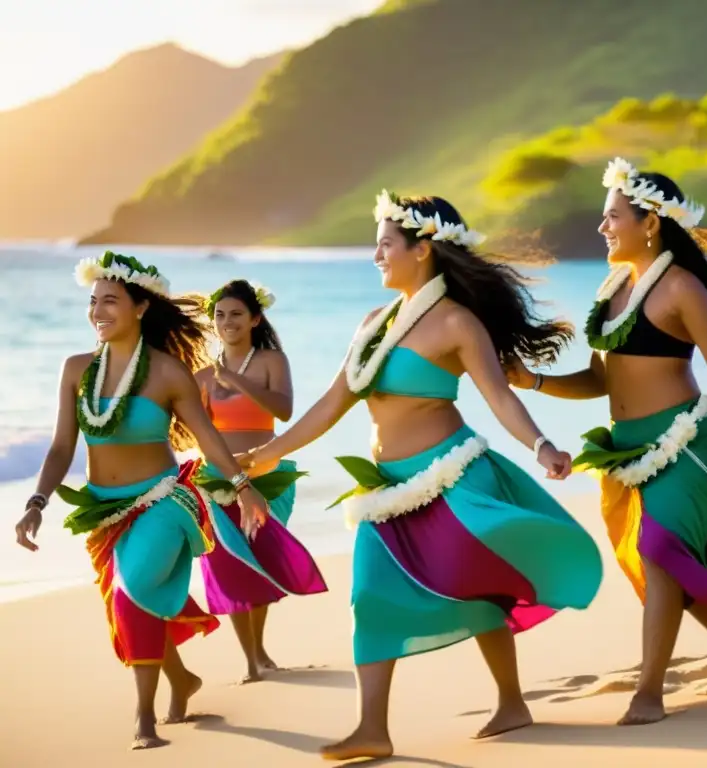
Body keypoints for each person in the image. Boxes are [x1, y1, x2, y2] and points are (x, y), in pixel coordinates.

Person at [238, 191, 603, 762]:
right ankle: (372, 728)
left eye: (386, 243)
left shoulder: (456, 323)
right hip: (386, 488)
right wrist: (266, 453)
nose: (376, 255)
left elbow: (500, 397)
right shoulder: (372, 323)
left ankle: (511, 701)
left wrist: (541, 444)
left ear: (423, 249)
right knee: (369, 597)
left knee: (476, 579)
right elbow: (332, 403)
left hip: (453, 477)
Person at [508, 158, 707, 726]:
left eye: (612, 217)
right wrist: (536, 381)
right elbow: (602, 380)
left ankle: (649, 691)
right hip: (629, 448)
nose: (603, 227)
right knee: (664, 560)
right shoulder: (614, 288)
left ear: (649, 222)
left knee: (660, 550)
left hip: (688, 442)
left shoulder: (680, 287)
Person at [13, 251, 270, 750]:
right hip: (103, 509)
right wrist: (37, 502)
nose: (97, 311)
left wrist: (243, 485)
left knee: (132, 593)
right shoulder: (76, 370)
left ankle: (144, 719)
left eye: (110, 301)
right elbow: (63, 445)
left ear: (140, 307)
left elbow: (208, 438)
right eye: (92, 302)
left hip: (163, 500)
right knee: (128, 601)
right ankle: (181, 679)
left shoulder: (168, 374)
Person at [196, 279, 328, 683]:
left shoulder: (272, 362)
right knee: (229, 564)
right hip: (218, 478)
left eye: (236, 314)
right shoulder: (202, 376)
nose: (227, 321)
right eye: (219, 315)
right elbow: (200, 432)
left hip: (267, 476)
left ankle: (260, 650)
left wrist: (236, 381)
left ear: (255, 318)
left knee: (258, 562)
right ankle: (252, 658)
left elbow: (284, 410)